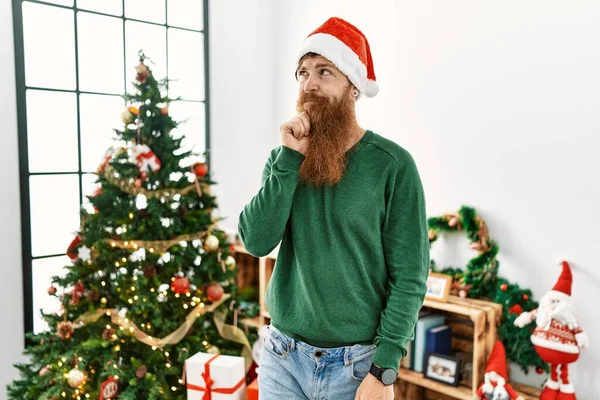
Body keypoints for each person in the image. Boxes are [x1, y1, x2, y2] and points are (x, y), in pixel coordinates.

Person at [238, 16, 429, 400]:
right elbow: (256, 241)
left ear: (353, 87)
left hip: (357, 366)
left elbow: (410, 276)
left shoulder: (392, 165)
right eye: (303, 72)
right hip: (282, 357)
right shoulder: (285, 160)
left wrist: (384, 368)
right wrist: (288, 161)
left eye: (324, 71)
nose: (309, 83)